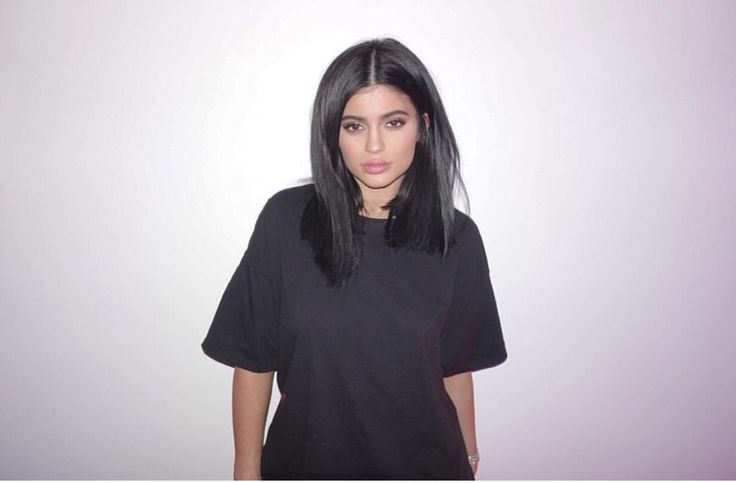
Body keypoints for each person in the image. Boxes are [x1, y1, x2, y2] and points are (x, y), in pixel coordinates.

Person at [201, 37, 507, 480]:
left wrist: (471, 457)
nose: (375, 146)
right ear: (333, 132)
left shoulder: (456, 237)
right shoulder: (286, 222)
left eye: (394, 122)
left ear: (423, 125)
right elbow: (252, 358)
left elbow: (453, 367)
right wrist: (247, 470)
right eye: (354, 126)